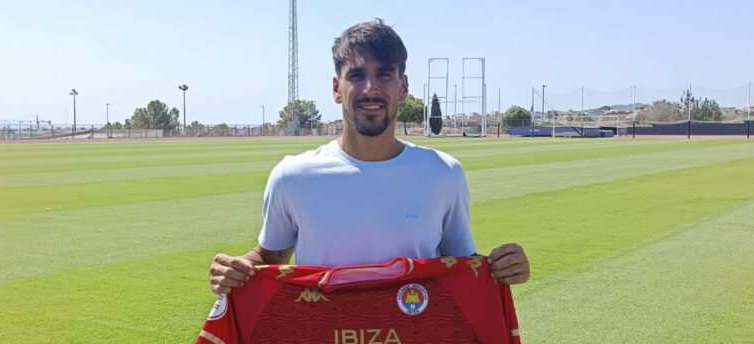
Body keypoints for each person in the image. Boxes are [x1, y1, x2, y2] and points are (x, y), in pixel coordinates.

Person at [209, 19, 529, 295]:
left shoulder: (443, 173)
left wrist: (503, 267)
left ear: (403, 87)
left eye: (384, 75)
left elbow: (463, 267)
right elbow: (268, 257)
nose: (370, 88)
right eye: (357, 75)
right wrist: (236, 268)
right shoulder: (292, 176)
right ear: (337, 88)